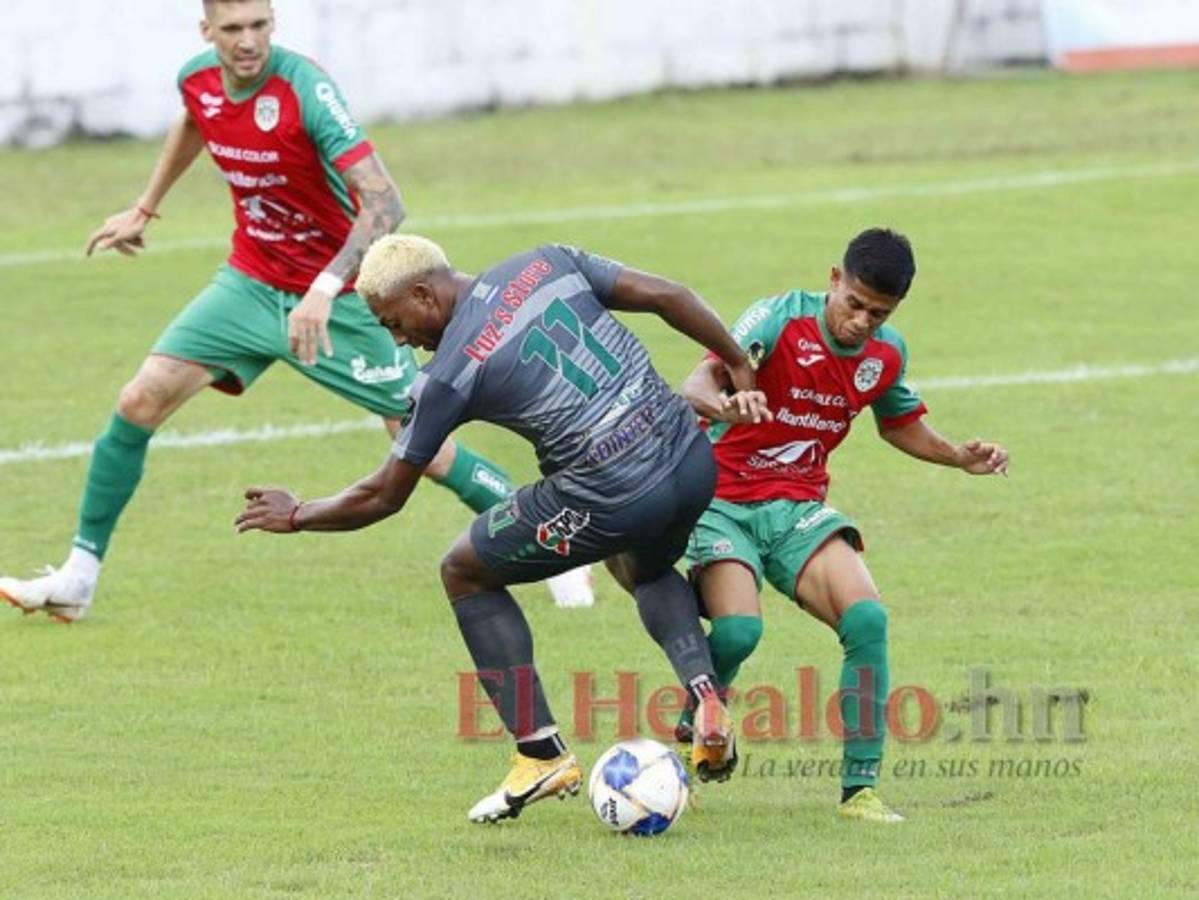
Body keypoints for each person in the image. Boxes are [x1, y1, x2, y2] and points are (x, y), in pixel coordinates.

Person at [0, 0, 592, 621]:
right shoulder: (198, 79)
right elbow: (196, 122)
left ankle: (555, 542)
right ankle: (79, 577)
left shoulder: (306, 89)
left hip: (336, 298)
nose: (248, 40)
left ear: (273, 22)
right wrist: (145, 207)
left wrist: (325, 286)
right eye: (232, 29)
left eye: (260, 25)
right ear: (208, 32)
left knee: (421, 441)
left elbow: (386, 206)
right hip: (250, 284)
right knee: (138, 400)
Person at [236, 234, 754, 822]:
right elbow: (668, 294)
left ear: (424, 293)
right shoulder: (545, 262)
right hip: (690, 460)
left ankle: (540, 753)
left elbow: (383, 496)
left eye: (393, 321)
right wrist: (736, 362)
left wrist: (299, 514)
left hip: (614, 494)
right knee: (644, 563)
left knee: (464, 570)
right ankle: (706, 694)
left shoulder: (448, 374)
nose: (398, 338)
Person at [677, 227, 1009, 823]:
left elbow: (899, 424)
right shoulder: (779, 318)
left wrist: (958, 456)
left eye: (878, 314)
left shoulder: (886, 355)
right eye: (854, 303)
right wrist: (726, 403)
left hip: (799, 507)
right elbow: (698, 381)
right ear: (834, 279)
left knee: (867, 617)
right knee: (738, 634)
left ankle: (860, 792)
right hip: (720, 498)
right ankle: (692, 734)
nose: (861, 321)